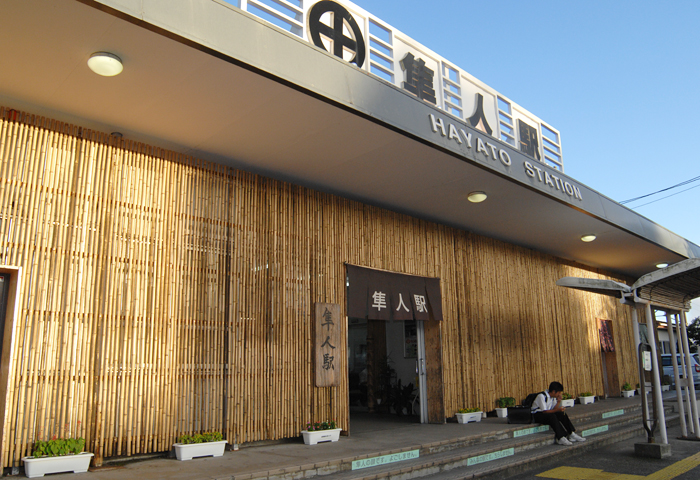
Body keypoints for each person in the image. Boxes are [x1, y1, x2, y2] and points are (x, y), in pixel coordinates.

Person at [531, 381, 586, 446]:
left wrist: (558, 402)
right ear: (554, 391)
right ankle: (560, 437)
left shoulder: (553, 398)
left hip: (547, 414)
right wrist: (557, 410)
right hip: (537, 415)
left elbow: (554, 409)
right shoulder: (541, 396)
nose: (559, 394)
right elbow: (545, 411)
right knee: (552, 416)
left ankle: (571, 433)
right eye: (559, 392)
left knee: (561, 414)